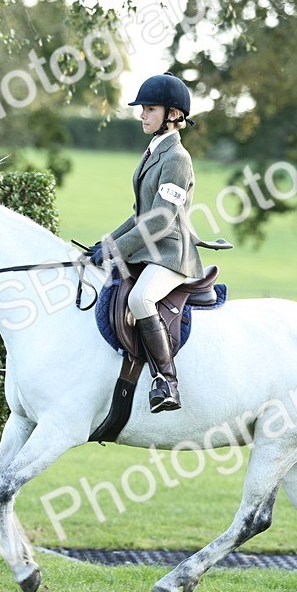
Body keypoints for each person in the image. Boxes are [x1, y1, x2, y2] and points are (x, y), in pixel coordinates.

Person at [91, 72, 203, 413]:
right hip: (150, 249)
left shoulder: (177, 159)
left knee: (141, 298)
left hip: (171, 254)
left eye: (149, 109)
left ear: (172, 114)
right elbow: (140, 214)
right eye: (143, 109)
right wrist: (106, 243)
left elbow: (161, 219)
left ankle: (166, 382)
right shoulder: (154, 152)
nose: (142, 115)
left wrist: (117, 250)